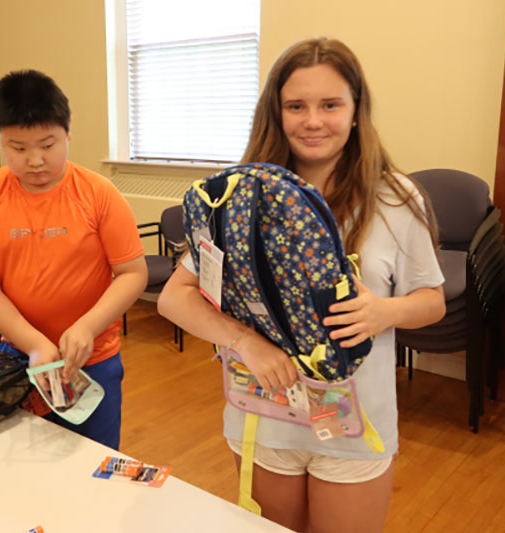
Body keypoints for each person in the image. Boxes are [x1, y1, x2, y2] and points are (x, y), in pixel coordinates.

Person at [157, 38, 446, 532]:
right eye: (296, 106)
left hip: (357, 424)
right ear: (277, 113)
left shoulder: (396, 197)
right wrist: (244, 341)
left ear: (356, 112)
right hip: (264, 416)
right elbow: (173, 298)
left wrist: (385, 312)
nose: (313, 121)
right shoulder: (238, 198)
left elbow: (432, 301)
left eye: (330, 105)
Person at [0, 70, 147, 450]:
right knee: (26, 460)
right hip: (20, 355)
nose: (36, 161)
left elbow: (132, 273)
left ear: (68, 131)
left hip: (93, 357)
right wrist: (33, 344)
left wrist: (87, 326)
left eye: (48, 144)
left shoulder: (99, 193)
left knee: (95, 461)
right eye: (18, 147)